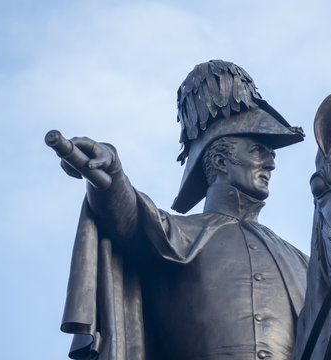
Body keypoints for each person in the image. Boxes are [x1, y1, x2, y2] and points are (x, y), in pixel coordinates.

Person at [55, 60, 308, 360]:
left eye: (270, 154)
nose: (271, 163)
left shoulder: (302, 264)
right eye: (257, 151)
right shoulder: (178, 234)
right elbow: (129, 217)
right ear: (221, 162)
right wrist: (112, 177)